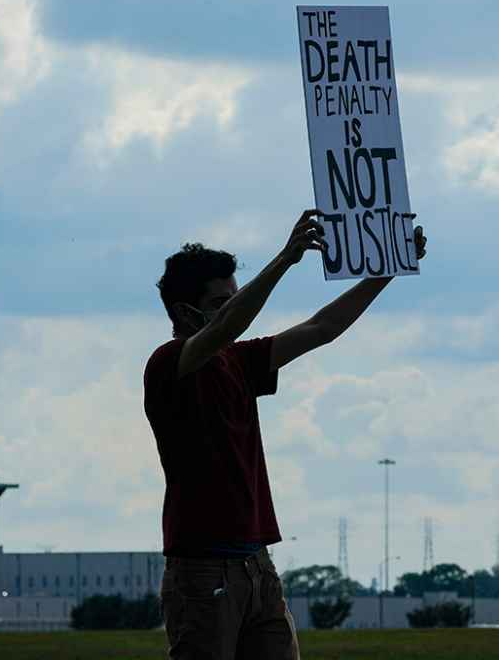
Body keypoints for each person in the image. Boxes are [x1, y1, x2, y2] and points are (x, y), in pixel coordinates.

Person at [144, 209, 427, 659]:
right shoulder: (168, 363)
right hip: (201, 572)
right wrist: (285, 259)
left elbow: (322, 328)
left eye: (234, 297)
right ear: (185, 310)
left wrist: (388, 269)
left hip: (257, 564)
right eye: (222, 301)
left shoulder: (238, 361)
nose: (235, 307)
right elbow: (228, 326)